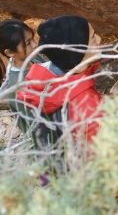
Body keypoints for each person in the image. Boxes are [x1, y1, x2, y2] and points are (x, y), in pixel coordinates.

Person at [16, 15, 103, 144]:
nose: (99, 39)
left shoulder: (44, 82)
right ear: (78, 51)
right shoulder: (86, 103)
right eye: (92, 37)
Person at [0, 19, 48, 133]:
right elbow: (35, 126)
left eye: (33, 39)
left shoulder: (33, 58)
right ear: (10, 53)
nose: (35, 45)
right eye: (28, 43)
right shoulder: (19, 85)